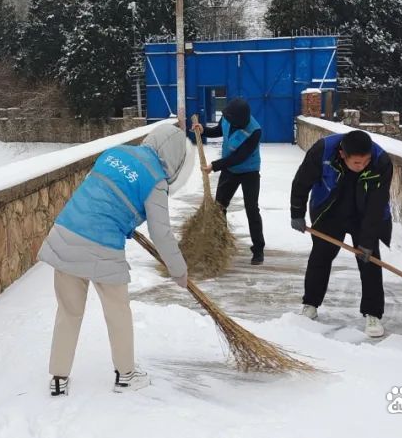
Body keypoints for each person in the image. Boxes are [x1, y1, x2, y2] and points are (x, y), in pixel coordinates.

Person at [37, 122, 193, 396]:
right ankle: (126, 375)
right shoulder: (156, 181)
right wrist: (179, 270)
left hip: (66, 233)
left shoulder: (115, 152)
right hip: (103, 246)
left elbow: (102, 194)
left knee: (68, 312)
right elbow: (162, 233)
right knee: (117, 311)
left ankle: (58, 378)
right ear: (175, 158)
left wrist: (126, 219)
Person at [289, 129, 393, 338]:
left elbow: (377, 204)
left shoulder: (381, 161)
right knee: (320, 256)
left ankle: (373, 313)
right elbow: (302, 181)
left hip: (365, 216)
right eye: (357, 163)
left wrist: (367, 241)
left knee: (370, 261)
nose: (363, 166)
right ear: (343, 155)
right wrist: (296, 213)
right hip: (329, 211)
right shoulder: (322, 151)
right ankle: (310, 304)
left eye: (366, 161)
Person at [191, 97, 265, 265]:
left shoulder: (255, 131)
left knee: (252, 209)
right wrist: (204, 130)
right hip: (230, 170)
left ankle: (258, 249)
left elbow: (239, 157)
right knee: (219, 207)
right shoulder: (228, 117)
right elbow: (219, 130)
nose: (228, 121)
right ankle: (221, 243)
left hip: (249, 171)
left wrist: (214, 166)